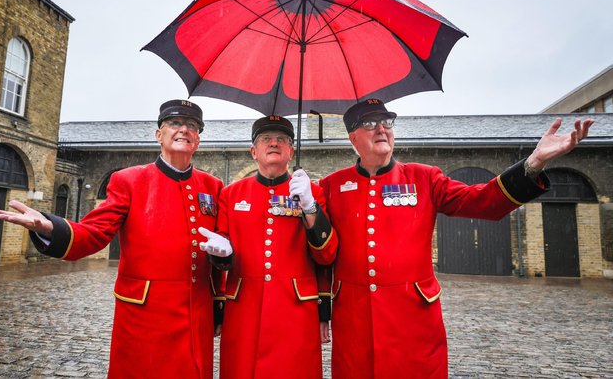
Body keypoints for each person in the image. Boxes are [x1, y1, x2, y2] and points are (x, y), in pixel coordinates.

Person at [318, 98, 594, 379]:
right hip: (354, 320)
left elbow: (482, 201)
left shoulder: (424, 178)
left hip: (413, 320)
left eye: (386, 122)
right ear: (353, 137)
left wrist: (534, 162)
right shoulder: (333, 185)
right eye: (370, 123)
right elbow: (321, 252)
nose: (381, 129)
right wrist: (323, 304)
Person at [0, 100, 233, 379]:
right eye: (175, 123)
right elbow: (95, 233)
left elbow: (219, 247)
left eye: (192, 126)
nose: (184, 130)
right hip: (145, 316)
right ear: (159, 135)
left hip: (196, 316)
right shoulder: (129, 180)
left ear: (198, 139)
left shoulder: (212, 187)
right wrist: (50, 227)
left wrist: (219, 298)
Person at [198, 115, 337, 379]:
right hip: (245, 309)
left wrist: (309, 206)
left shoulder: (312, 193)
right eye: (265, 139)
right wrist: (223, 256)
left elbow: (326, 255)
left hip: (295, 310)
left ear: (291, 151)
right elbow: (222, 250)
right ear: (253, 151)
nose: (274, 143)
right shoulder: (231, 194)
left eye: (282, 139)